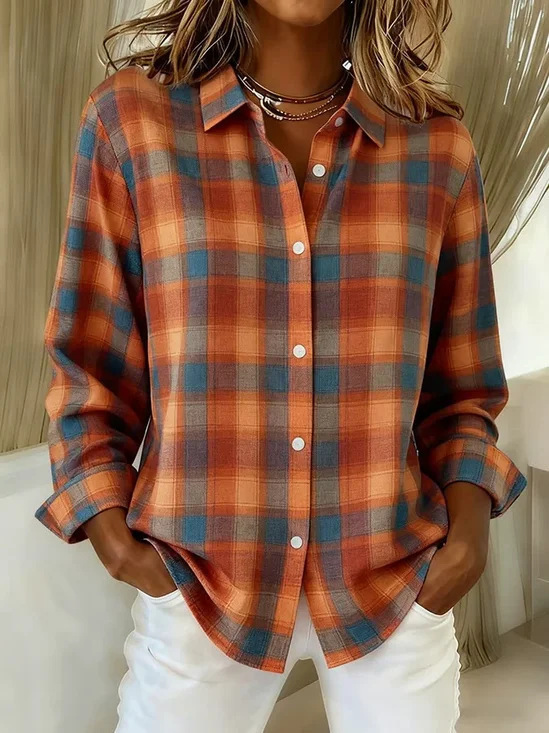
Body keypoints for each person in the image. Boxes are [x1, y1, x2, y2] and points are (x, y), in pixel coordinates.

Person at [35, 1, 527, 731]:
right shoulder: (131, 124)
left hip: (393, 584)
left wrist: (467, 539)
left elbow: (461, 387)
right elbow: (90, 364)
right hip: (201, 585)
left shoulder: (434, 148)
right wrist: (112, 535)